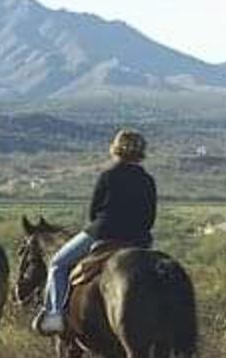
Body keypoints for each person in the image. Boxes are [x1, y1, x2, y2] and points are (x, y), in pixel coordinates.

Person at [34, 129, 157, 336]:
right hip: (138, 240)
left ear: (116, 149)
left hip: (103, 233)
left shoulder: (108, 176)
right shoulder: (147, 180)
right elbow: (150, 217)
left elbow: (93, 212)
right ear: (140, 152)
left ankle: (54, 316)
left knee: (57, 263)